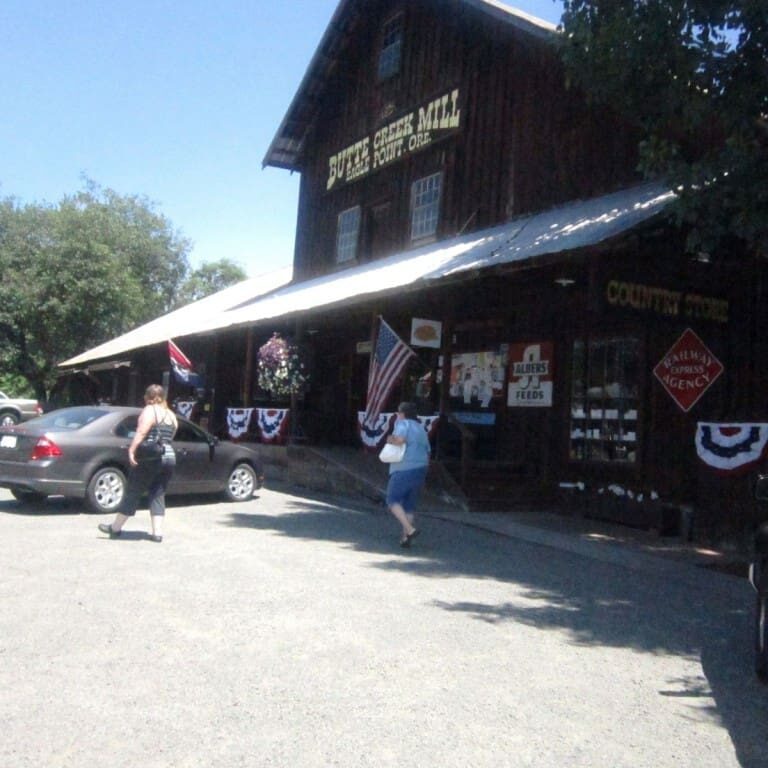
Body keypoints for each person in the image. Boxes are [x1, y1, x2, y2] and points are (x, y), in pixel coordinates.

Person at [98, 384, 178, 543]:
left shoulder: (150, 410)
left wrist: (132, 450)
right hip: (169, 457)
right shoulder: (170, 414)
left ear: (147, 397)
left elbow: (142, 431)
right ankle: (157, 533)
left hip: (151, 457)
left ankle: (115, 528)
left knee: (133, 490)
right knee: (158, 492)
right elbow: (172, 435)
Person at [384, 401, 431, 547]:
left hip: (404, 467)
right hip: (421, 468)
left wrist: (389, 439)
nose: (397, 415)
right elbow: (428, 450)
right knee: (409, 505)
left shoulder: (403, 424)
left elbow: (400, 440)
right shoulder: (421, 428)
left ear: (402, 414)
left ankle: (410, 530)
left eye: (398, 413)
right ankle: (405, 538)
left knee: (392, 500)